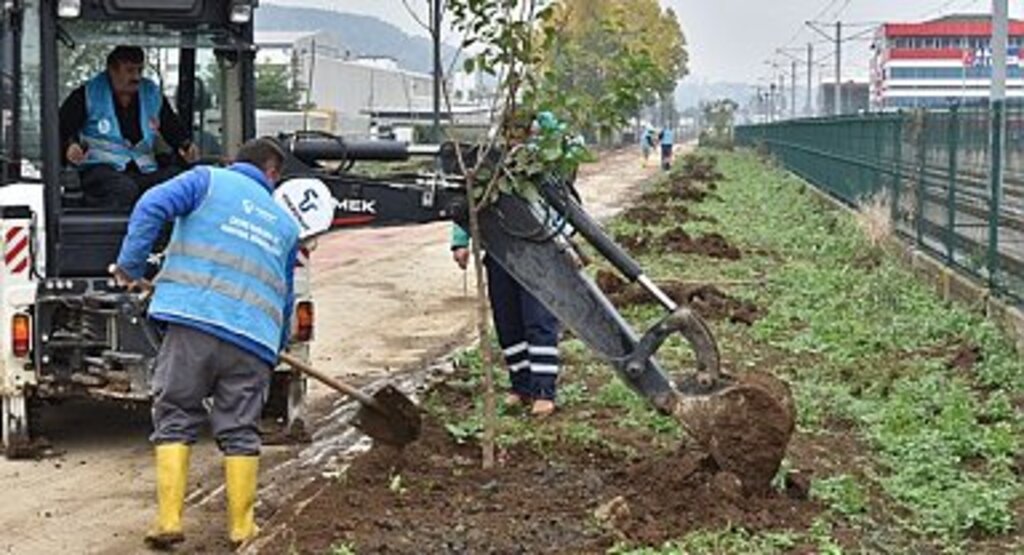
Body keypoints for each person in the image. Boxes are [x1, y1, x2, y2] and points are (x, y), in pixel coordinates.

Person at [110, 138, 300, 549]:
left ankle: (168, 521)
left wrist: (130, 265)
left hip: (193, 323)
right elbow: (286, 295)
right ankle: (242, 528)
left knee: (176, 413)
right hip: (253, 341)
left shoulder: (206, 180)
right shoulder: (287, 225)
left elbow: (149, 206)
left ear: (235, 162)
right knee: (240, 429)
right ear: (273, 175)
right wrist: (275, 344)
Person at [450, 112, 565, 417]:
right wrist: (460, 241)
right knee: (507, 319)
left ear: (532, 133)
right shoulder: (491, 165)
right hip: (501, 253)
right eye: (509, 133)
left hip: (540, 254)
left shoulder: (543, 165)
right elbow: (472, 203)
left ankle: (544, 391)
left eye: (521, 133)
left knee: (538, 320)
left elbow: (564, 206)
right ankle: (520, 385)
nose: (514, 139)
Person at [60, 45, 198, 209]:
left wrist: (186, 145)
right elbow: (60, 131)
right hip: (100, 169)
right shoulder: (86, 95)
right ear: (112, 70)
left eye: (140, 70)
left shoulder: (152, 94)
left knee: (180, 181)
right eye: (130, 71)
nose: (137, 77)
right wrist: (70, 146)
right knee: (123, 190)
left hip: (144, 170)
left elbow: (173, 129)